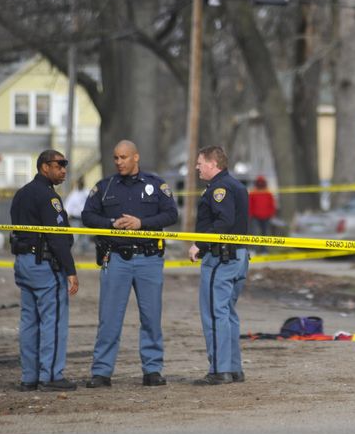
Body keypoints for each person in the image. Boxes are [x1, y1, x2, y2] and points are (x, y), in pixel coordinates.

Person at [82, 140, 178, 388]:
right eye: (115, 158)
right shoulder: (105, 187)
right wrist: (110, 223)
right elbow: (87, 216)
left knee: (151, 317)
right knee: (109, 318)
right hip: (116, 259)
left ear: (136, 157)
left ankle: (153, 370)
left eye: (123, 157)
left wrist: (141, 223)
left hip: (149, 259)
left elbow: (171, 214)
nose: (118, 162)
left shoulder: (155, 185)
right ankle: (102, 372)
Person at [9, 149, 79, 392]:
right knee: (54, 320)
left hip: (23, 263)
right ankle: (50, 376)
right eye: (58, 165)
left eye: (64, 165)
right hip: (44, 265)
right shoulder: (49, 197)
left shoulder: (21, 194)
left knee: (29, 321)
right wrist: (70, 270)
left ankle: (29, 377)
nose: (63, 170)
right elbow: (58, 237)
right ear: (44, 167)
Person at [187, 145, 249, 385]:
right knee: (228, 315)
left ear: (213, 164)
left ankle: (219, 370)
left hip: (221, 258)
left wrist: (199, 245)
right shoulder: (237, 185)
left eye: (200, 163)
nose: (197, 167)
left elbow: (224, 221)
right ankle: (233, 368)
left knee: (215, 314)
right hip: (239, 256)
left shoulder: (219, 189)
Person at [248, 175, 276, 252]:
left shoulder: (268, 193)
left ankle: (264, 250)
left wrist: (272, 214)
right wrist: (250, 215)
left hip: (266, 217)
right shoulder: (253, 192)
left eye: (262, 182)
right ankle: (254, 249)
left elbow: (272, 204)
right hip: (255, 217)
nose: (260, 184)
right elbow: (250, 204)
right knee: (255, 234)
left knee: (265, 234)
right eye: (259, 182)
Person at [64, 178, 89, 252]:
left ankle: (85, 252)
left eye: (82, 182)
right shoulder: (74, 194)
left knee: (85, 236)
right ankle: (74, 252)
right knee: (75, 235)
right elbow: (68, 205)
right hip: (75, 218)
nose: (81, 184)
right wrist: (67, 215)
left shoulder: (87, 192)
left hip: (85, 218)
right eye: (79, 182)